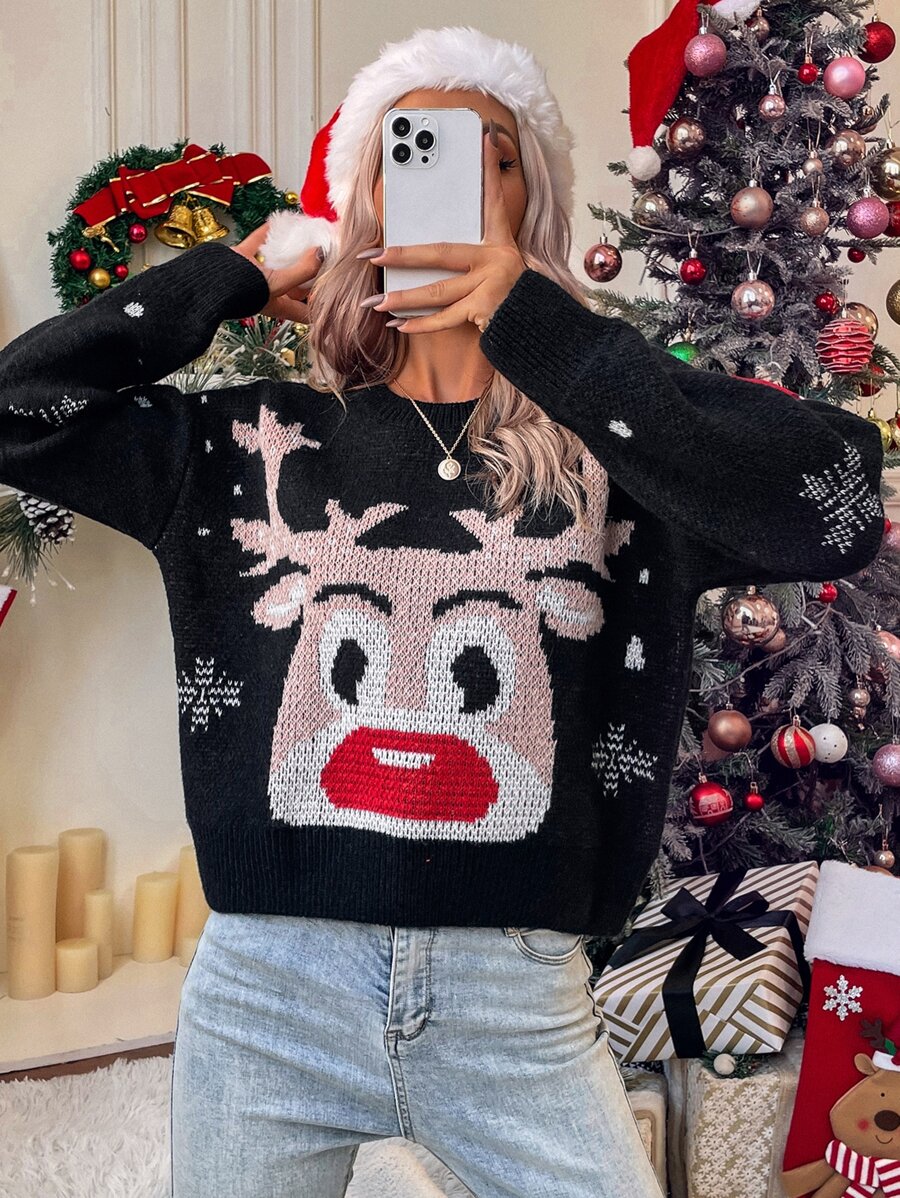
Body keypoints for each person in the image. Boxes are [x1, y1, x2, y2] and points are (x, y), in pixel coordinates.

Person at [0, 23, 885, 1198]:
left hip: (515, 1007)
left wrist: (550, 332)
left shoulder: (618, 453)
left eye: (493, 152)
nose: (451, 175)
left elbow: (837, 504)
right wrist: (235, 273)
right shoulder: (250, 443)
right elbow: (18, 408)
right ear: (360, 204)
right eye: (410, 148)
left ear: (532, 206)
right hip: (267, 999)